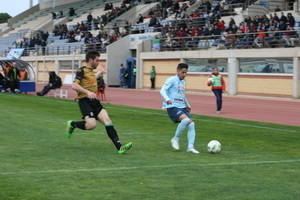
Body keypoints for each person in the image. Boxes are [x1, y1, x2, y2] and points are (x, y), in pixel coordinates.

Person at [66, 51, 133, 154]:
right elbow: (74, 86)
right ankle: (73, 124)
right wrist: (87, 92)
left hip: (95, 101)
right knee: (92, 125)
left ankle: (120, 147)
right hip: (84, 101)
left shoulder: (91, 72)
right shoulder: (81, 71)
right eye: (97, 60)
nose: (98, 62)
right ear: (90, 60)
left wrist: (100, 71)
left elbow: (92, 79)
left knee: (107, 121)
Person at [160, 63, 199, 154]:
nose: (184, 75)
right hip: (172, 106)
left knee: (191, 124)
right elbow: (162, 90)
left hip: (182, 107)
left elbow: (182, 95)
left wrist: (187, 104)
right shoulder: (171, 80)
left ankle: (190, 147)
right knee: (186, 120)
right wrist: (167, 99)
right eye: (183, 72)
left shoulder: (183, 82)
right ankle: (175, 138)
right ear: (178, 71)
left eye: (186, 73)